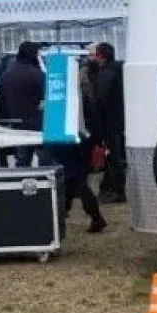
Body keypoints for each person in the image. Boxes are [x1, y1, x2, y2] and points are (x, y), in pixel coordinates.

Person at [45, 63, 107, 233]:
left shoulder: (59, 98)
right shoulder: (84, 97)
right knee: (73, 181)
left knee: (75, 181)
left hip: (67, 141)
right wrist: (96, 140)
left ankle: (92, 217)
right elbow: (95, 121)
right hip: (81, 141)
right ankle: (64, 217)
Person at [0, 41, 47, 167]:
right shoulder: (37, 74)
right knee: (44, 156)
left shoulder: (7, 74)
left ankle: (21, 180)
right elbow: (47, 96)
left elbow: (0, 99)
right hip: (36, 121)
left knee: (22, 158)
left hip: (15, 121)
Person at [90, 42, 127, 203]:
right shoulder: (119, 70)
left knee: (113, 156)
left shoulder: (106, 74)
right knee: (115, 156)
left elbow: (100, 100)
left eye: (95, 55)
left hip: (109, 121)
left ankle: (116, 191)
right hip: (119, 119)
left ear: (101, 56)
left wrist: (96, 121)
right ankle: (112, 188)